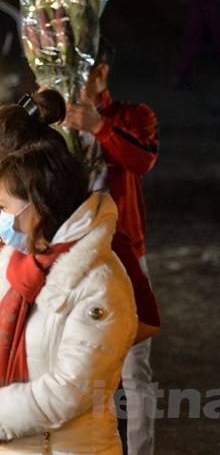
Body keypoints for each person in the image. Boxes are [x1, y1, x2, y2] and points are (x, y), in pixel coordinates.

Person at [0, 109, 137, 453]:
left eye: (3, 207)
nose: (0, 219)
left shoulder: (100, 284)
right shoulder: (18, 261)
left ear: (38, 208)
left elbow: (67, 392)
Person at [61, 37, 160, 455]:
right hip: (66, 261)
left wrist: (98, 127)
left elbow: (141, 161)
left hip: (124, 258)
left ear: (100, 72)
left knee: (135, 371)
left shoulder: (133, 116)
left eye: (75, 69)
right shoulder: (52, 121)